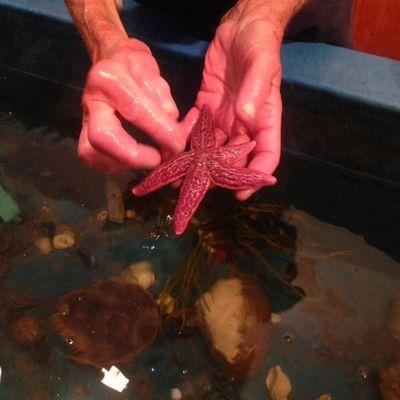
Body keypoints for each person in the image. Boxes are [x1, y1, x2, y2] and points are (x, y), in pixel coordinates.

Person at [64, 0, 352, 200]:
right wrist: (107, 42)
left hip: (294, 33)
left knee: (293, 186)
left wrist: (262, 13)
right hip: (158, 25)